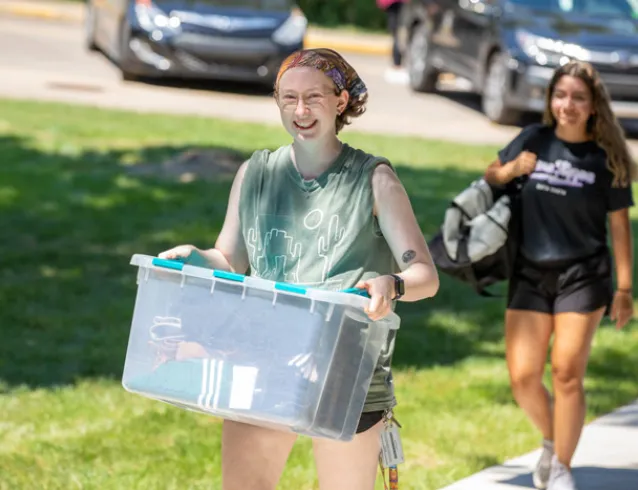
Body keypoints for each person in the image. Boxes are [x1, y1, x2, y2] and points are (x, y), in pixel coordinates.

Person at [158, 48, 439, 490]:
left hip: (347, 373)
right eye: (288, 98)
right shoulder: (256, 173)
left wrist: (393, 284)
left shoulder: (373, 179)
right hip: (261, 361)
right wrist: (192, 258)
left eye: (314, 97)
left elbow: (425, 274)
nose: (301, 111)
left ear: (341, 101)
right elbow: (228, 260)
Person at [484, 60, 636, 490]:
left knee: (567, 372)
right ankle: (553, 439)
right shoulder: (534, 138)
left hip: (584, 275)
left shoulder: (605, 158)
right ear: (551, 99)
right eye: (561, 95)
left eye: (578, 98)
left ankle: (561, 468)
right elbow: (491, 174)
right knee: (523, 378)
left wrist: (624, 288)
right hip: (530, 273)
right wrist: (513, 169)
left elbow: (620, 227)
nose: (567, 104)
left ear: (593, 106)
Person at [377, 0, 408, 84]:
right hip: (396, 3)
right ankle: (397, 64)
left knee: (397, 34)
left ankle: (397, 64)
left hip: (393, 3)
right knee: (398, 34)